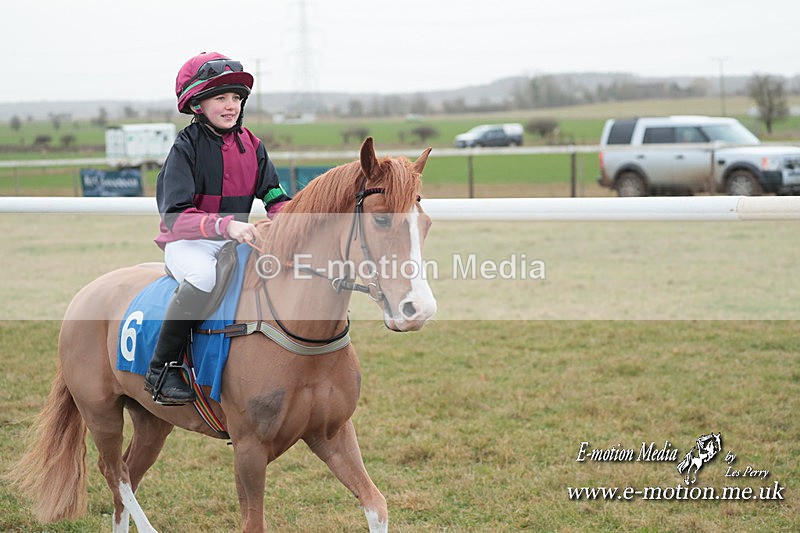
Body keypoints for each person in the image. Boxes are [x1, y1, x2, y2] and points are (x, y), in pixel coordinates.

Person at [145, 51, 290, 405]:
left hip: (234, 241)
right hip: (189, 243)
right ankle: (161, 369)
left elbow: (273, 194)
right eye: (220, 98)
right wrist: (226, 226)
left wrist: (292, 219)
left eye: (236, 98)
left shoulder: (253, 145)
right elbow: (176, 215)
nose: (231, 106)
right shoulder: (185, 148)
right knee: (204, 278)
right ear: (198, 104)